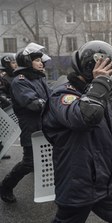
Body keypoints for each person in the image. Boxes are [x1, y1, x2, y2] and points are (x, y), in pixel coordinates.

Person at [41, 40, 112, 223]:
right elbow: (85, 117)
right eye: (107, 72)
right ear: (92, 68)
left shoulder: (96, 93)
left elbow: (107, 133)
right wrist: (99, 83)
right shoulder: (62, 95)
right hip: (78, 183)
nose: (110, 78)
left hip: (106, 180)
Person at [0, 43, 51, 203]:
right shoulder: (20, 81)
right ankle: (5, 186)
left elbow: (50, 98)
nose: (41, 62)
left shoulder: (38, 78)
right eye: (36, 60)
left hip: (44, 125)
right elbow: (34, 104)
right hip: (31, 127)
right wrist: (49, 103)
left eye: (40, 59)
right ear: (27, 62)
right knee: (29, 163)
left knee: (52, 158)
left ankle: (57, 189)